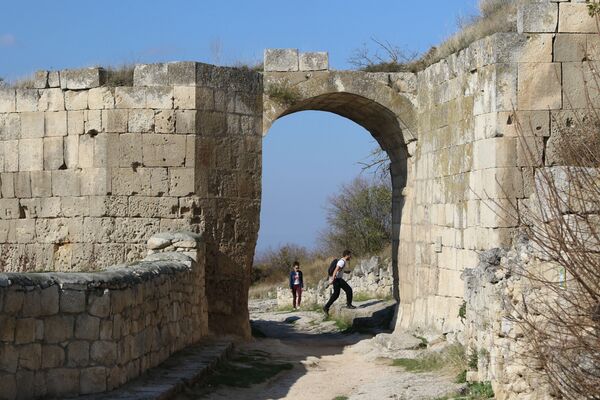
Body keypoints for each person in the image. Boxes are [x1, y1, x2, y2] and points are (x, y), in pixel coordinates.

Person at [323, 250, 356, 315]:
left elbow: (339, 270)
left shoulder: (342, 261)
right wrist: (333, 278)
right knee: (349, 290)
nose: (350, 256)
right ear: (347, 255)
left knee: (336, 295)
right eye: (350, 255)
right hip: (337, 279)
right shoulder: (342, 262)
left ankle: (326, 307)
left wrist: (346, 272)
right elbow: (336, 269)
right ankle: (349, 305)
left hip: (337, 279)